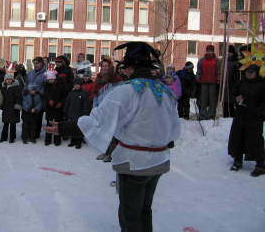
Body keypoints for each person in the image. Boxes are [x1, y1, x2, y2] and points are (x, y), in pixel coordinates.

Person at [44, 41, 180, 232]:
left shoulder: (126, 91)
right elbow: (173, 132)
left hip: (135, 164)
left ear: (131, 66)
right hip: (159, 162)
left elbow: (98, 121)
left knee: (130, 216)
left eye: (124, 67)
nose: (122, 71)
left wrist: (64, 129)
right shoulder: (165, 92)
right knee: (144, 211)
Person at [228, 64, 265, 177]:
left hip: (254, 118)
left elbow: (264, 101)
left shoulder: (262, 85)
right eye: (247, 71)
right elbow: (232, 95)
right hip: (240, 116)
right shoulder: (240, 83)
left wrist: (256, 111)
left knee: (255, 141)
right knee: (238, 138)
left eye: (251, 72)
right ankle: (238, 161)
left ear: (256, 73)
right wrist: (236, 99)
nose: (249, 73)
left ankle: (260, 165)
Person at [93, 59, 123, 162]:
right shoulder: (98, 78)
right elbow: (95, 95)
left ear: (110, 67)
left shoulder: (116, 79)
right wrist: (95, 109)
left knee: (112, 133)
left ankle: (111, 154)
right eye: (103, 66)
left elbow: (120, 94)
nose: (104, 68)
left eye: (106, 66)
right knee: (103, 132)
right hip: (101, 109)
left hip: (112, 110)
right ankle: (104, 151)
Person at [63, 78, 90, 149]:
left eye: (78, 84)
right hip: (71, 114)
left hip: (79, 115)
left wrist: (85, 114)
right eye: (75, 84)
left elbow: (86, 105)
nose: (76, 86)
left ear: (80, 85)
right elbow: (67, 103)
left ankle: (78, 142)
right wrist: (65, 112)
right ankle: (73, 141)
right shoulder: (70, 93)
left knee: (78, 129)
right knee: (72, 128)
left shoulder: (84, 94)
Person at [24, 57, 47, 138]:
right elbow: (26, 83)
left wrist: (39, 92)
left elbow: (46, 87)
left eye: (37, 63)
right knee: (29, 116)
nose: (35, 65)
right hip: (29, 98)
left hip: (39, 99)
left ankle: (36, 134)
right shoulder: (30, 73)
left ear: (41, 63)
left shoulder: (45, 74)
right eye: (34, 63)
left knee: (37, 117)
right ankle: (28, 133)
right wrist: (25, 92)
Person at [196, 45, 221, 120]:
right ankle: (202, 115)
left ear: (213, 51)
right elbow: (199, 71)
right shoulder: (202, 60)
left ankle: (211, 115)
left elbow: (219, 71)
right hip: (203, 82)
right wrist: (198, 80)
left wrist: (218, 80)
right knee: (203, 99)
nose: (209, 52)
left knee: (212, 99)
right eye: (208, 51)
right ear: (206, 51)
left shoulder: (216, 60)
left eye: (211, 51)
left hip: (213, 83)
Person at [44, 70, 65, 146]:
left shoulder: (60, 85)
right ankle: (47, 140)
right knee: (49, 123)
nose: (50, 81)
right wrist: (49, 99)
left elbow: (63, 95)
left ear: (55, 79)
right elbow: (46, 93)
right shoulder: (46, 85)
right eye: (49, 80)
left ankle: (57, 140)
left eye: (51, 79)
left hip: (58, 107)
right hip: (50, 107)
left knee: (57, 124)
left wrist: (61, 103)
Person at [0, 73, 23, 143]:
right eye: (7, 79)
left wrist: (17, 106)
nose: (8, 81)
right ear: (5, 80)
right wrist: (1, 105)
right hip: (6, 108)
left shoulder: (16, 88)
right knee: (5, 123)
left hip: (13, 108)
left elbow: (19, 97)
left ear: (13, 80)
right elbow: (1, 97)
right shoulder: (3, 88)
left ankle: (12, 138)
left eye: (10, 79)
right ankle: (4, 137)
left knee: (13, 124)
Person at [223, 45, 239, 118]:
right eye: (227, 52)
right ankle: (225, 114)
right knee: (225, 99)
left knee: (231, 98)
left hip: (232, 82)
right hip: (225, 82)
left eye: (230, 52)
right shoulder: (224, 60)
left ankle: (232, 114)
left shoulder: (236, 61)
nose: (228, 53)